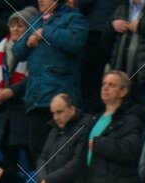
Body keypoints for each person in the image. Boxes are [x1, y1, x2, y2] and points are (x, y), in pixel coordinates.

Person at [10, 0, 88, 157]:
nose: (40, 1)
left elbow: (75, 42)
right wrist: (28, 42)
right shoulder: (36, 20)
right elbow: (17, 51)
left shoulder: (74, 18)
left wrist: (45, 32)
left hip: (60, 96)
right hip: (35, 99)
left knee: (60, 152)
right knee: (36, 150)